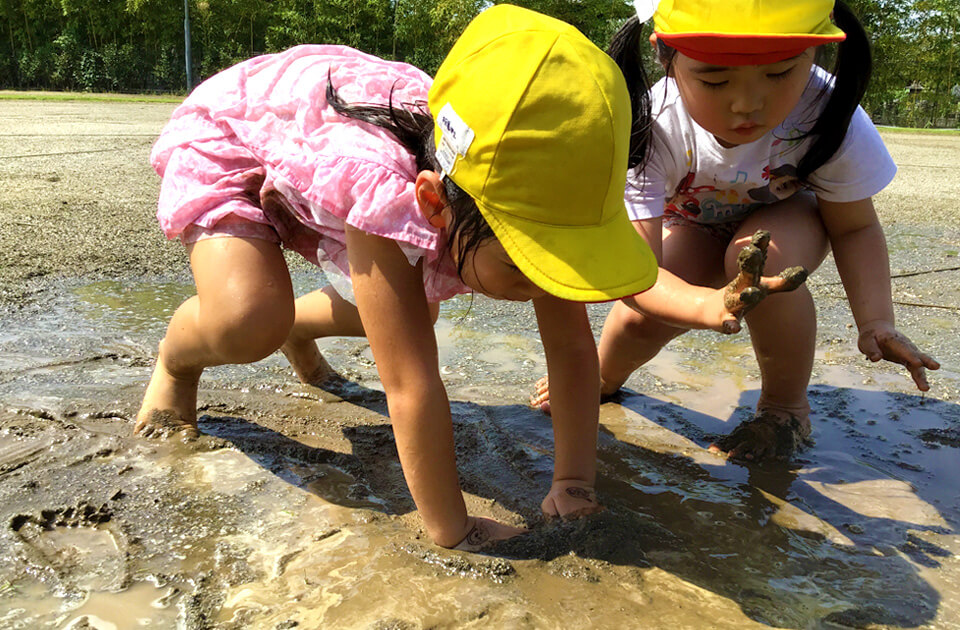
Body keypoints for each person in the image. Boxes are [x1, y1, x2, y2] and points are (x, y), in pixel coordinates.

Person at [133, 5, 667, 551]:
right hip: (241, 130)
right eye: (524, 265)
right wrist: (453, 529)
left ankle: (297, 328)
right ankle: (177, 362)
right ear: (435, 204)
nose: (544, 285)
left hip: (334, 129)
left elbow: (574, 351)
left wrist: (573, 482)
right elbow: (410, 385)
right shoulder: (384, 188)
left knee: (412, 310)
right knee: (249, 320)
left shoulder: (547, 188)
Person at [530, 0, 939, 463]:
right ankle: (603, 377)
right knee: (642, 317)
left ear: (816, 53)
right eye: (715, 80)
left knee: (764, 262)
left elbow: (855, 227)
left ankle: (785, 407)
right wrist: (706, 303)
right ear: (666, 55)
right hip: (690, 220)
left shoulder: (826, 109)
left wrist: (876, 320)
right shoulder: (651, 120)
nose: (747, 103)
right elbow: (638, 272)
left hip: (787, 214)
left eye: (780, 73)